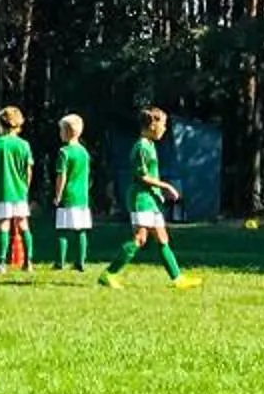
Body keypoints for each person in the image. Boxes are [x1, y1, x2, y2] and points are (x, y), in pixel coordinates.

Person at [103, 106, 186, 287]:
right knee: (140, 238)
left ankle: (178, 279)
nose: (165, 128)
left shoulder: (150, 145)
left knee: (163, 238)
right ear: (152, 125)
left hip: (151, 199)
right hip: (141, 198)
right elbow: (142, 176)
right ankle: (109, 274)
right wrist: (166, 186)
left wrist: (158, 193)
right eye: (163, 124)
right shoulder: (141, 147)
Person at [0, 106, 35, 274]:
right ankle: (28, 262)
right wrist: (25, 188)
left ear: (1, 124)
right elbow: (29, 170)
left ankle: (0, 263)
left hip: (2, 190)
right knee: (24, 224)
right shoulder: (24, 145)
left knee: (3, 225)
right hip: (20, 191)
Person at [48, 114, 95, 271]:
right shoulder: (84, 152)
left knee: (62, 230)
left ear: (67, 132)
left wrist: (58, 195)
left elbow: (62, 176)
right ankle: (80, 262)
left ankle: (59, 262)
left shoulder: (64, 152)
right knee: (81, 230)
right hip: (82, 197)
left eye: (61, 130)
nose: (59, 133)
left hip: (68, 196)